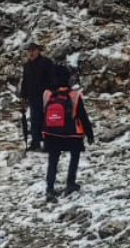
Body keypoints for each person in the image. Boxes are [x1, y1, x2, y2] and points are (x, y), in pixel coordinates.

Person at [41, 66, 94, 202]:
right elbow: (82, 116)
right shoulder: (74, 95)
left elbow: (43, 113)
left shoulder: (47, 94)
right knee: (74, 157)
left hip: (51, 133)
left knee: (53, 161)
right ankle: (70, 183)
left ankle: (50, 188)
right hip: (71, 134)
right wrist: (89, 133)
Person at [20, 43, 56, 152]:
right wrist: (23, 96)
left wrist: (52, 92)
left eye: (33, 50)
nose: (31, 53)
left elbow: (53, 79)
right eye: (29, 50)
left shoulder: (46, 63)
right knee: (35, 121)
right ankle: (35, 143)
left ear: (38, 51)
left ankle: (48, 144)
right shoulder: (26, 66)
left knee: (47, 121)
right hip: (33, 97)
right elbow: (25, 82)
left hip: (46, 97)